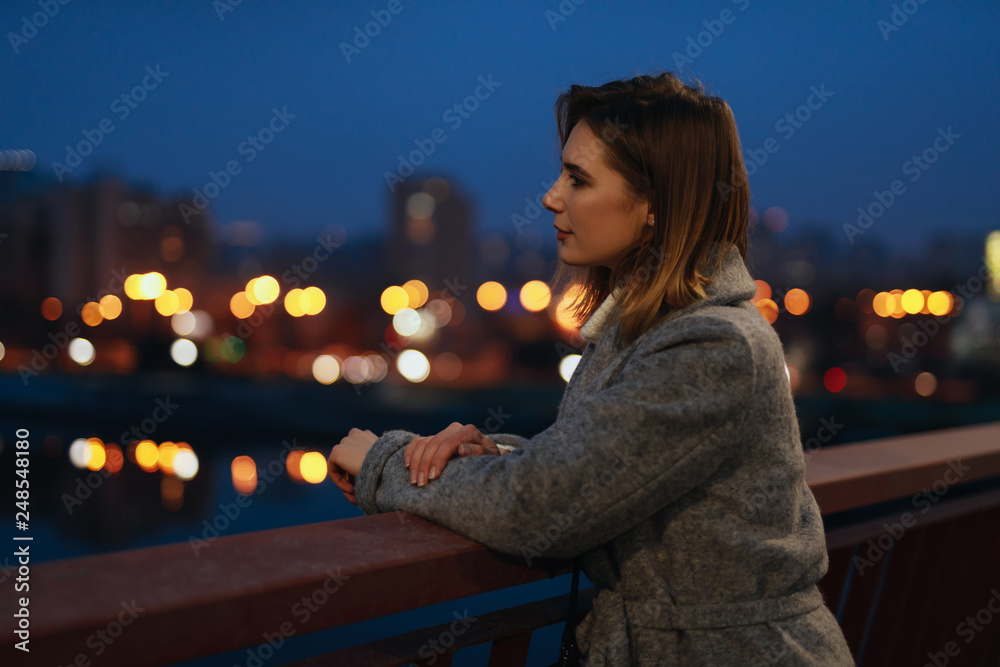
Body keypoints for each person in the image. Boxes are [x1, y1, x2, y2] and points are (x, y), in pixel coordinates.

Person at [328, 71, 856, 665]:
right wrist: (483, 455)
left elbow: (541, 510)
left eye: (577, 179)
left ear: (655, 204)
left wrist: (385, 461)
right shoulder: (652, 328)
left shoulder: (713, 346)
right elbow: (602, 471)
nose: (551, 197)